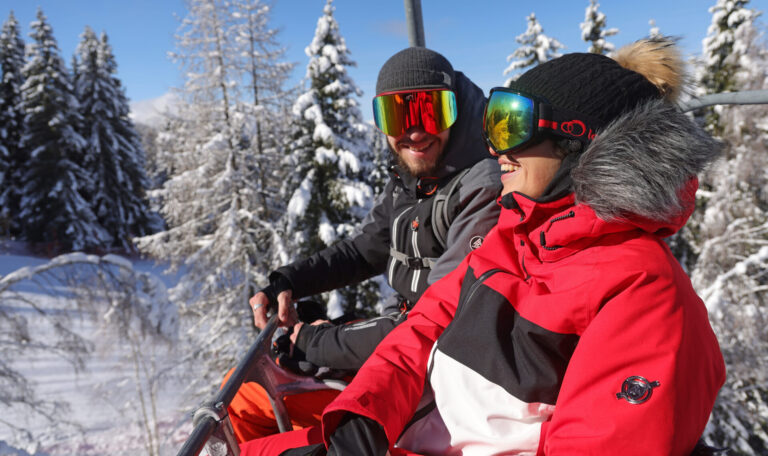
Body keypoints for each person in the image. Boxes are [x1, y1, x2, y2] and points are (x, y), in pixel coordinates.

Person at [241, 38, 726, 455]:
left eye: (513, 126)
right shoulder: (516, 236)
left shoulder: (644, 294)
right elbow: (424, 324)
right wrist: (362, 421)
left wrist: (314, 343)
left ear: (581, 145)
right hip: (414, 422)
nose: (496, 149)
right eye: (494, 123)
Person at [226, 47, 501, 441]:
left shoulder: (482, 187)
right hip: (401, 352)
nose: (414, 132)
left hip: (434, 378)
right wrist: (289, 281)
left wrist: (315, 343)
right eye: (396, 116)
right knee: (246, 392)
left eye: (431, 111)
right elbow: (363, 250)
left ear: (455, 108)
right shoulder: (415, 177)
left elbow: (436, 322)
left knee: (251, 404)